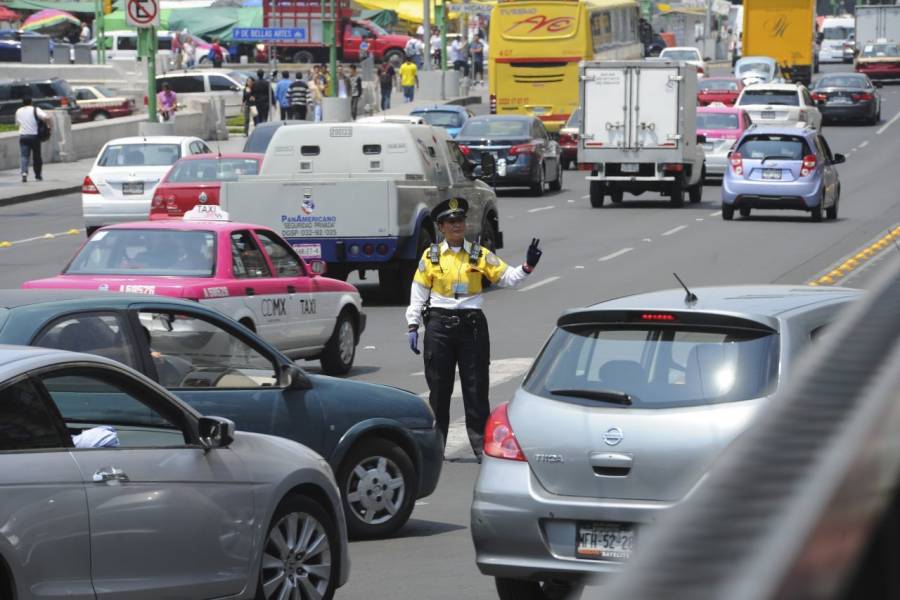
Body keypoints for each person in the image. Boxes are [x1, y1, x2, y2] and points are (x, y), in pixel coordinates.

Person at [405, 198, 542, 461]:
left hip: (472, 327)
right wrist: (413, 323)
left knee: (476, 388)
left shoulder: (478, 254)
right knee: (439, 389)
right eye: (451, 222)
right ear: (441, 227)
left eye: (460, 221)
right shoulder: (431, 256)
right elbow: (418, 292)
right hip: (439, 326)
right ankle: (437, 447)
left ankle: (481, 447)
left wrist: (527, 267)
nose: (457, 226)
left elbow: (508, 277)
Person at [15, 96, 51, 183]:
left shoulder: (18, 111)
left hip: (23, 136)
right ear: (31, 102)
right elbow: (47, 118)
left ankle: (24, 173)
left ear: (22, 103)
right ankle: (38, 176)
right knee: (37, 157)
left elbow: (17, 124)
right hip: (34, 136)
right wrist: (49, 126)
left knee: (24, 156)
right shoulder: (35, 109)